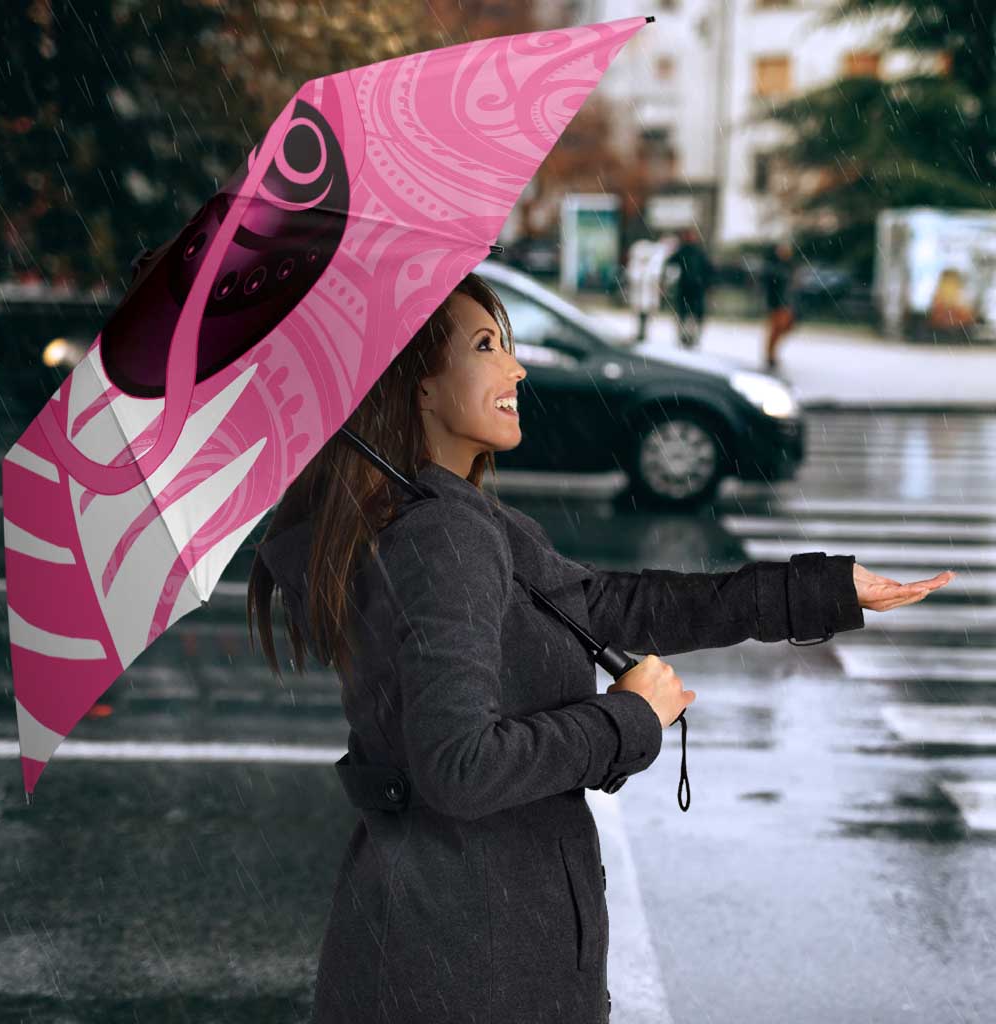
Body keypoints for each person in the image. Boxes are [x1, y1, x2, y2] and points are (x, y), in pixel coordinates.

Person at [247, 271, 952, 1024]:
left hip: (453, 941)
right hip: (471, 962)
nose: (516, 368)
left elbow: (613, 605)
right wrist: (627, 719)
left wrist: (822, 591)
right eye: (486, 346)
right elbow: (458, 767)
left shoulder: (449, 518)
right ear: (417, 386)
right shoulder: (442, 536)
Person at [664, 226, 714, 349]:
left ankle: (691, 337)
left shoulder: (697, 252)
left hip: (695, 288)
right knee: (685, 314)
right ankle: (685, 337)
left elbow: (708, 270)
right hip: (687, 288)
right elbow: (670, 264)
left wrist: (707, 284)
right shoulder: (684, 251)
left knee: (692, 315)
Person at [762, 239, 798, 370]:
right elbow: (771, 286)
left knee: (784, 328)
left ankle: (771, 354)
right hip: (777, 303)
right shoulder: (774, 267)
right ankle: (770, 355)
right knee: (776, 329)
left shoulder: (789, 266)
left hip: (786, 303)